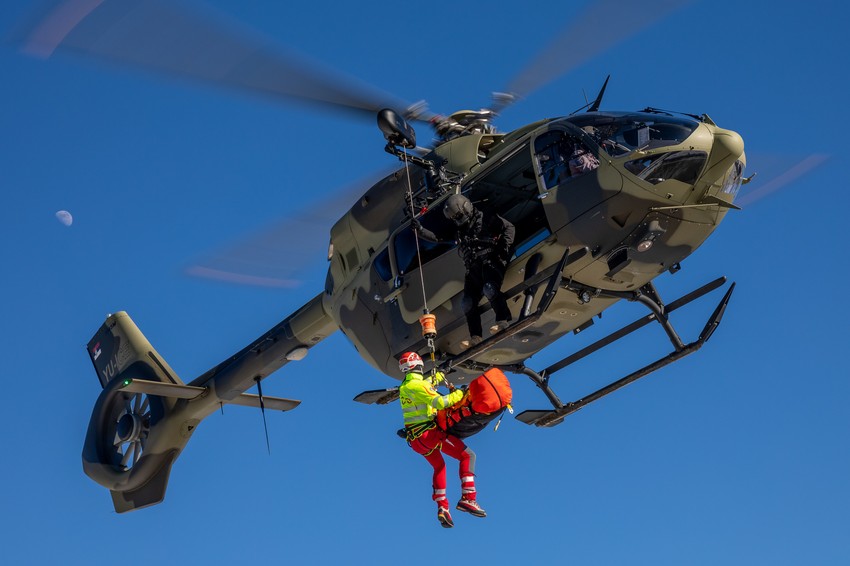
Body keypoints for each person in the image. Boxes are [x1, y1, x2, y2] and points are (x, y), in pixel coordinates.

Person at [398, 351, 486, 528]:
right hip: (430, 435)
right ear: (419, 364)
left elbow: (425, 385)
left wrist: (439, 375)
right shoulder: (418, 386)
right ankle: (469, 498)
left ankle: (442, 508)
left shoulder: (406, 387)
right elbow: (440, 403)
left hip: (416, 441)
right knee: (468, 456)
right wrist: (461, 394)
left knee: (439, 466)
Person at [415, 194, 515, 348]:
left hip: (491, 261)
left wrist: (504, 248)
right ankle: (476, 337)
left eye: (459, 216)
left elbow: (509, 227)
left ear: (466, 208)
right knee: (467, 303)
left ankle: (503, 320)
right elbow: (438, 238)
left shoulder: (486, 218)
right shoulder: (459, 230)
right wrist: (420, 230)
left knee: (490, 289)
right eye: (455, 218)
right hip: (473, 267)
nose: (459, 220)